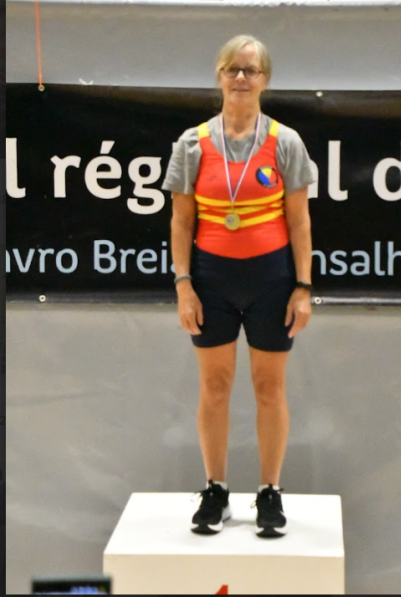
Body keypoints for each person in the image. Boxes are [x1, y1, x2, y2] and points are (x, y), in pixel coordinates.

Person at [162, 35, 315, 538]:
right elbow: (181, 222)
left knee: (270, 387)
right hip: (212, 280)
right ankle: (216, 489)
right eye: (233, 69)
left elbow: (299, 221)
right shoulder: (192, 144)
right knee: (215, 386)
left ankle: (269, 492)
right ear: (219, 76)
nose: (241, 78)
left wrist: (303, 287)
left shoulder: (286, 142)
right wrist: (184, 285)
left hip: (272, 280)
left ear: (265, 79)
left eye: (251, 70)